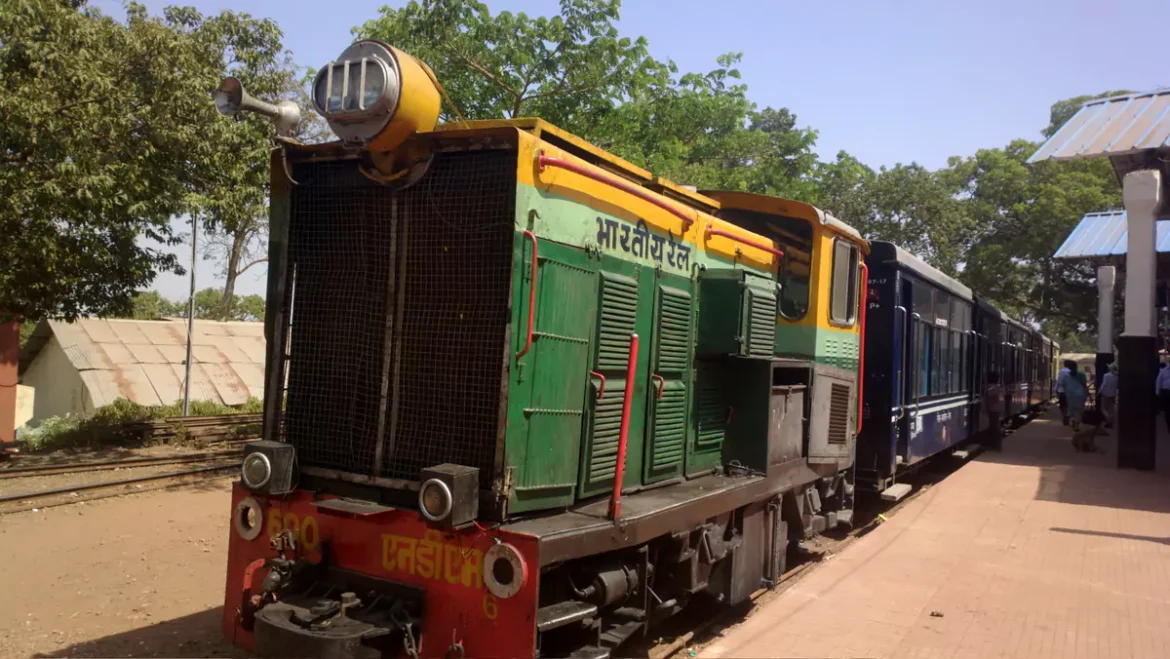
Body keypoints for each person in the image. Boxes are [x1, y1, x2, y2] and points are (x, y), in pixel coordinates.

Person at [984, 371, 1005, 450]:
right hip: (998, 409)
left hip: (993, 410)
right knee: (995, 426)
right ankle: (996, 445)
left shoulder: (993, 388)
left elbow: (988, 394)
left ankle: (995, 446)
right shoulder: (999, 387)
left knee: (994, 427)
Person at [1065, 368, 1088, 434]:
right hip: (1080, 397)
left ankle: (1073, 421)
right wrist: (1087, 396)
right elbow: (1085, 388)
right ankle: (1076, 425)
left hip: (1071, 397)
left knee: (1072, 410)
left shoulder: (1069, 378)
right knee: (1079, 412)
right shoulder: (1082, 379)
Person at [1098, 364, 1117, 429]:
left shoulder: (1106, 375)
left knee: (1103, 408)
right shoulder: (1116, 376)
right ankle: (1111, 420)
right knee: (1111, 408)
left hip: (1105, 394)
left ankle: (1108, 420)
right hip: (1113, 394)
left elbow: (1104, 384)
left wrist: (1099, 392)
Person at [1056, 360, 1072, 425]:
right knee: (1068, 405)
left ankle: (1064, 414)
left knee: (1062, 405)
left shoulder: (1062, 371)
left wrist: (1056, 389)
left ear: (1064, 364)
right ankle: (1067, 414)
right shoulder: (1072, 371)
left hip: (1062, 391)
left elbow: (1059, 381)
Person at [1156, 362, 1170, 433]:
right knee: (1167, 410)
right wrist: (1157, 392)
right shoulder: (1163, 371)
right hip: (1166, 392)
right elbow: (1158, 381)